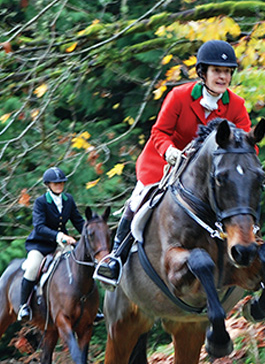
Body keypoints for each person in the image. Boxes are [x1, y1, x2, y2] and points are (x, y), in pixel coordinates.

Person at [95, 39, 253, 287]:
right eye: (217, 71)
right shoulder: (179, 96)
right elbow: (159, 132)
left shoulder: (236, 105)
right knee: (139, 201)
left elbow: (247, 143)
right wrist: (170, 152)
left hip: (208, 175)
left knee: (240, 202)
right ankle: (115, 259)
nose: (222, 77)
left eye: (227, 72)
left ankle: (260, 263)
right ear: (203, 73)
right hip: (165, 164)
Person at [17, 167, 85, 321]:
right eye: (55, 183)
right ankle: (24, 306)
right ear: (48, 184)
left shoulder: (68, 200)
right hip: (40, 244)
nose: (59, 185)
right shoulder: (41, 202)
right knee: (33, 267)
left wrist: (89, 233)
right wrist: (60, 236)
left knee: (79, 263)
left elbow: (79, 222)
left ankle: (87, 304)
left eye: (61, 182)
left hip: (61, 245)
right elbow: (39, 227)